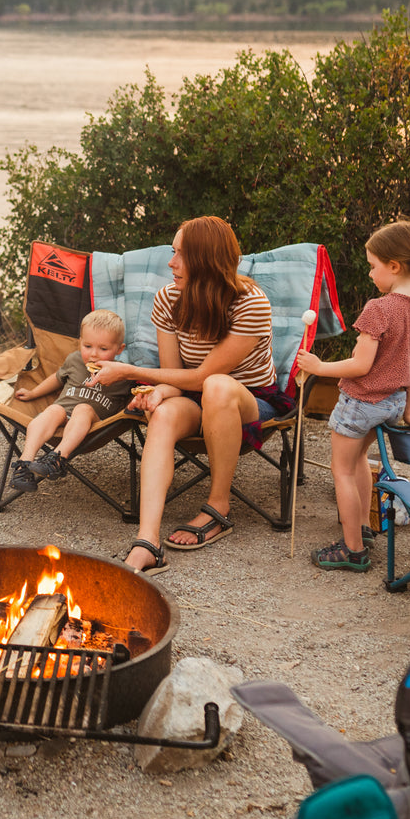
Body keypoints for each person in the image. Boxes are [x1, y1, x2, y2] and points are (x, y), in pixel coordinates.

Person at [94, 216, 286, 576]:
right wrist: (155, 393)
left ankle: (219, 506)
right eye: (173, 252)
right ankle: (148, 542)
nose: (171, 263)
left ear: (207, 260)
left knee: (216, 385)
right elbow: (178, 378)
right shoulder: (169, 298)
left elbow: (203, 376)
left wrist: (130, 370)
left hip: (248, 399)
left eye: (181, 254)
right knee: (164, 415)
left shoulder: (251, 303)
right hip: (196, 394)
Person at [297, 220, 410, 572]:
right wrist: (409, 411)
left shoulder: (379, 308)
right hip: (392, 403)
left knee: (342, 471)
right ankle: (363, 528)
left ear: (394, 266)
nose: (369, 273)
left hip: (361, 403)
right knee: (361, 461)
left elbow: (361, 366)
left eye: (372, 266)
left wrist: (317, 366)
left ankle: (353, 550)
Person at [8, 309, 134, 493]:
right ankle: (24, 464)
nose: (93, 354)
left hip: (96, 424)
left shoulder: (123, 373)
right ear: (80, 343)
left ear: (119, 349)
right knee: (52, 410)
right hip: (63, 416)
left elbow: (137, 393)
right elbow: (57, 378)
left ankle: (58, 459)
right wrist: (33, 393)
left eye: (103, 349)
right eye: (87, 346)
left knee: (83, 408)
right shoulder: (75, 360)